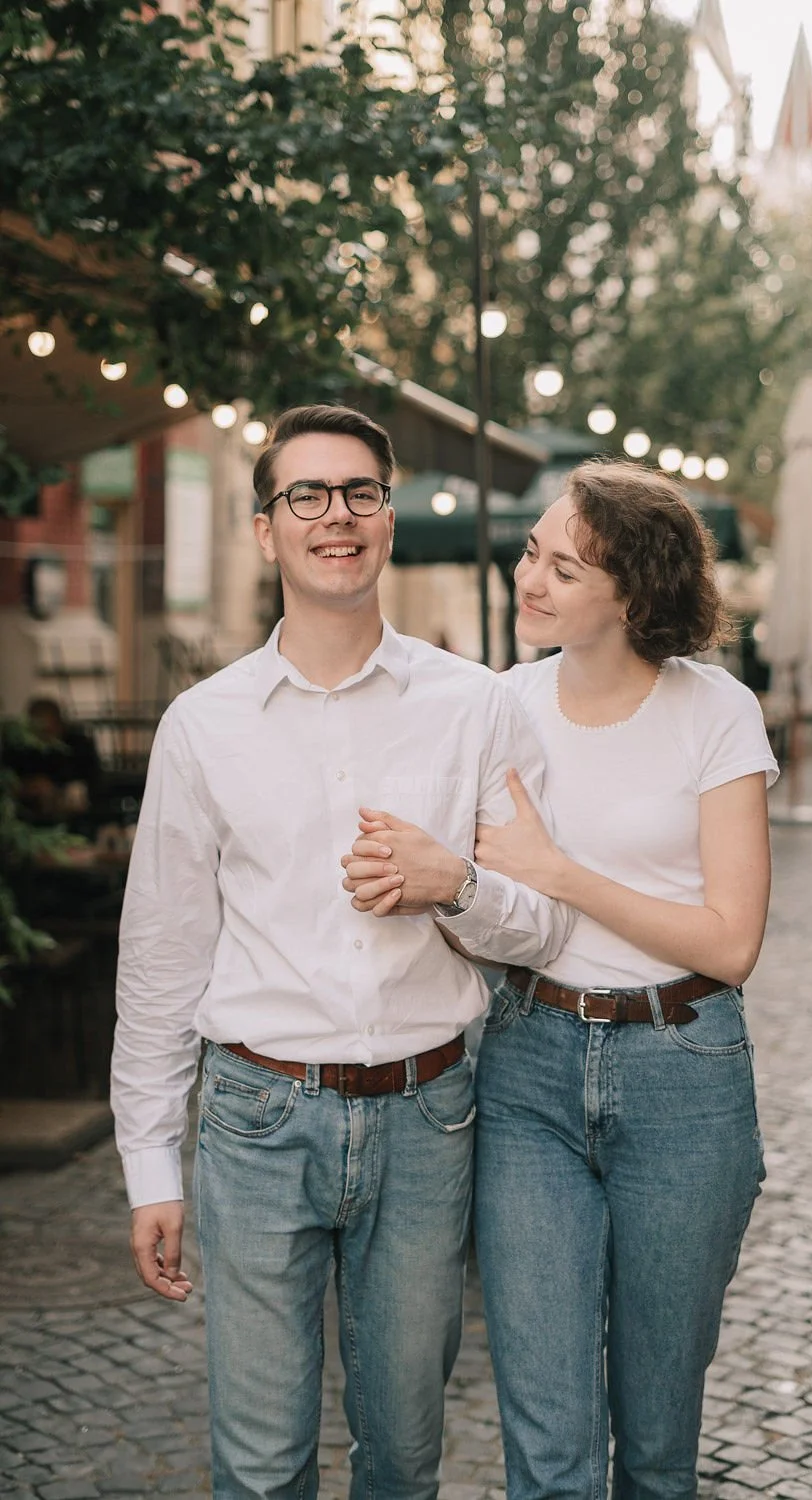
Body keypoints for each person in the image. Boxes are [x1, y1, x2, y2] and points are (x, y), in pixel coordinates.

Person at [110, 403, 573, 1500]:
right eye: (306, 495)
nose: (337, 516)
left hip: (428, 1118)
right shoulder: (203, 725)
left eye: (361, 492)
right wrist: (147, 1167)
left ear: (389, 518)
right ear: (266, 529)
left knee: (404, 1461)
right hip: (255, 1121)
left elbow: (544, 924)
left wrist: (451, 885)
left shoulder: (476, 708)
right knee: (262, 1467)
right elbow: (163, 957)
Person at [342, 460, 779, 1500]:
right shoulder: (496, 705)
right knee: (548, 1441)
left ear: (634, 594)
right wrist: (439, 883)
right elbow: (484, 912)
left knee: (661, 1442)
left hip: (687, 1073)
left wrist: (559, 874)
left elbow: (731, 942)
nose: (529, 580)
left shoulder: (717, 714)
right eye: (533, 552)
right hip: (529, 1068)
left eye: (566, 568)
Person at [4, 696, 102, 823]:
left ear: (59, 725)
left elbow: (94, 782)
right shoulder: (20, 747)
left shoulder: (78, 745)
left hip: (73, 813)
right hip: (28, 813)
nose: (43, 738)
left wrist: (60, 789)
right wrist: (27, 787)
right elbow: (9, 779)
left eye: (47, 731)